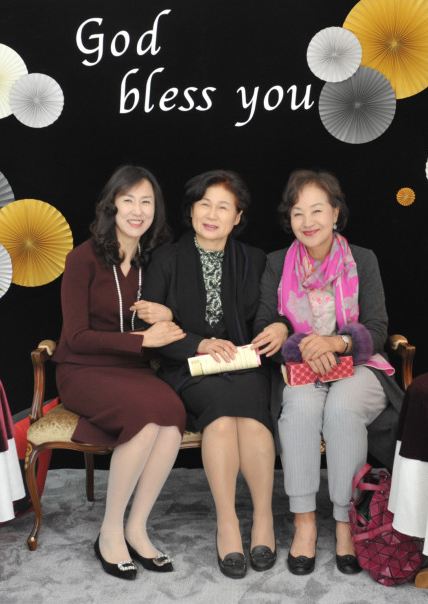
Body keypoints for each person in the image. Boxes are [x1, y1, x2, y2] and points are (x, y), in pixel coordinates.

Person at [252, 169, 403, 577]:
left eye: (317, 210)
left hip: (360, 365)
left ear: (335, 213)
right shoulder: (277, 263)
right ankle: (304, 522)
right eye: (298, 213)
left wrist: (336, 343)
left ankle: (343, 522)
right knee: (300, 409)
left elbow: (377, 329)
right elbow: (264, 323)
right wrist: (295, 340)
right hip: (302, 366)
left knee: (341, 410)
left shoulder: (363, 260)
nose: (308, 221)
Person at [140, 170, 276, 579]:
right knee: (220, 420)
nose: (212, 215)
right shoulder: (165, 259)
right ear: (192, 210)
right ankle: (228, 522)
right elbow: (153, 332)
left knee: (251, 421)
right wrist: (199, 343)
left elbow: (268, 315)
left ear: (238, 216)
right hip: (188, 366)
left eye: (223, 207)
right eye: (205, 205)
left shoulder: (254, 259)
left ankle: (264, 518)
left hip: (243, 362)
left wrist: (280, 327)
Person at [53, 165, 187, 580]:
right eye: (128, 200)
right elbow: (76, 337)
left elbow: (176, 320)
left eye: (146, 202)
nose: (137, 210)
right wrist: (142, 339)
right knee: (144, 419)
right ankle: (110, 532)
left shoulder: (156, 259)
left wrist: (167, 315)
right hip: (82, 369)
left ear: (155, 210)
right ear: (111, 205)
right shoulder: (82, 258)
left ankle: (137, 527)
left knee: (173, 417)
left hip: (132, 371)